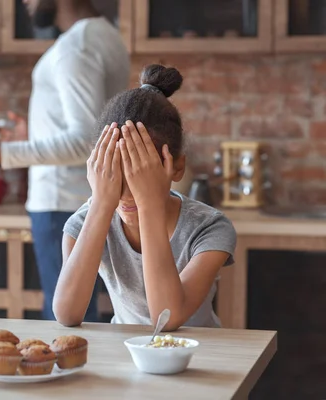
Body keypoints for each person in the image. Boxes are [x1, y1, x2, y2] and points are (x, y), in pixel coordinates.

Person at [0, 0, 130, 322]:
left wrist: (1, 153)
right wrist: (32, 136)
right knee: (79, 315)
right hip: (81, 199)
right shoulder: (106, 35)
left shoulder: (76, 47)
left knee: (67, 319)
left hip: (61, 205)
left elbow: (87, 140)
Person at [53, 64, 237, 330]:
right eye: (114, 174)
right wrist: (102, 203)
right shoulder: (84, 223)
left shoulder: (209, 228)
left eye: (140, 176)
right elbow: (67, 314)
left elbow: (168, 318)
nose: (127, 194)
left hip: (199, 353)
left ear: (177, 167)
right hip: (125, 351)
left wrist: (149, 205)